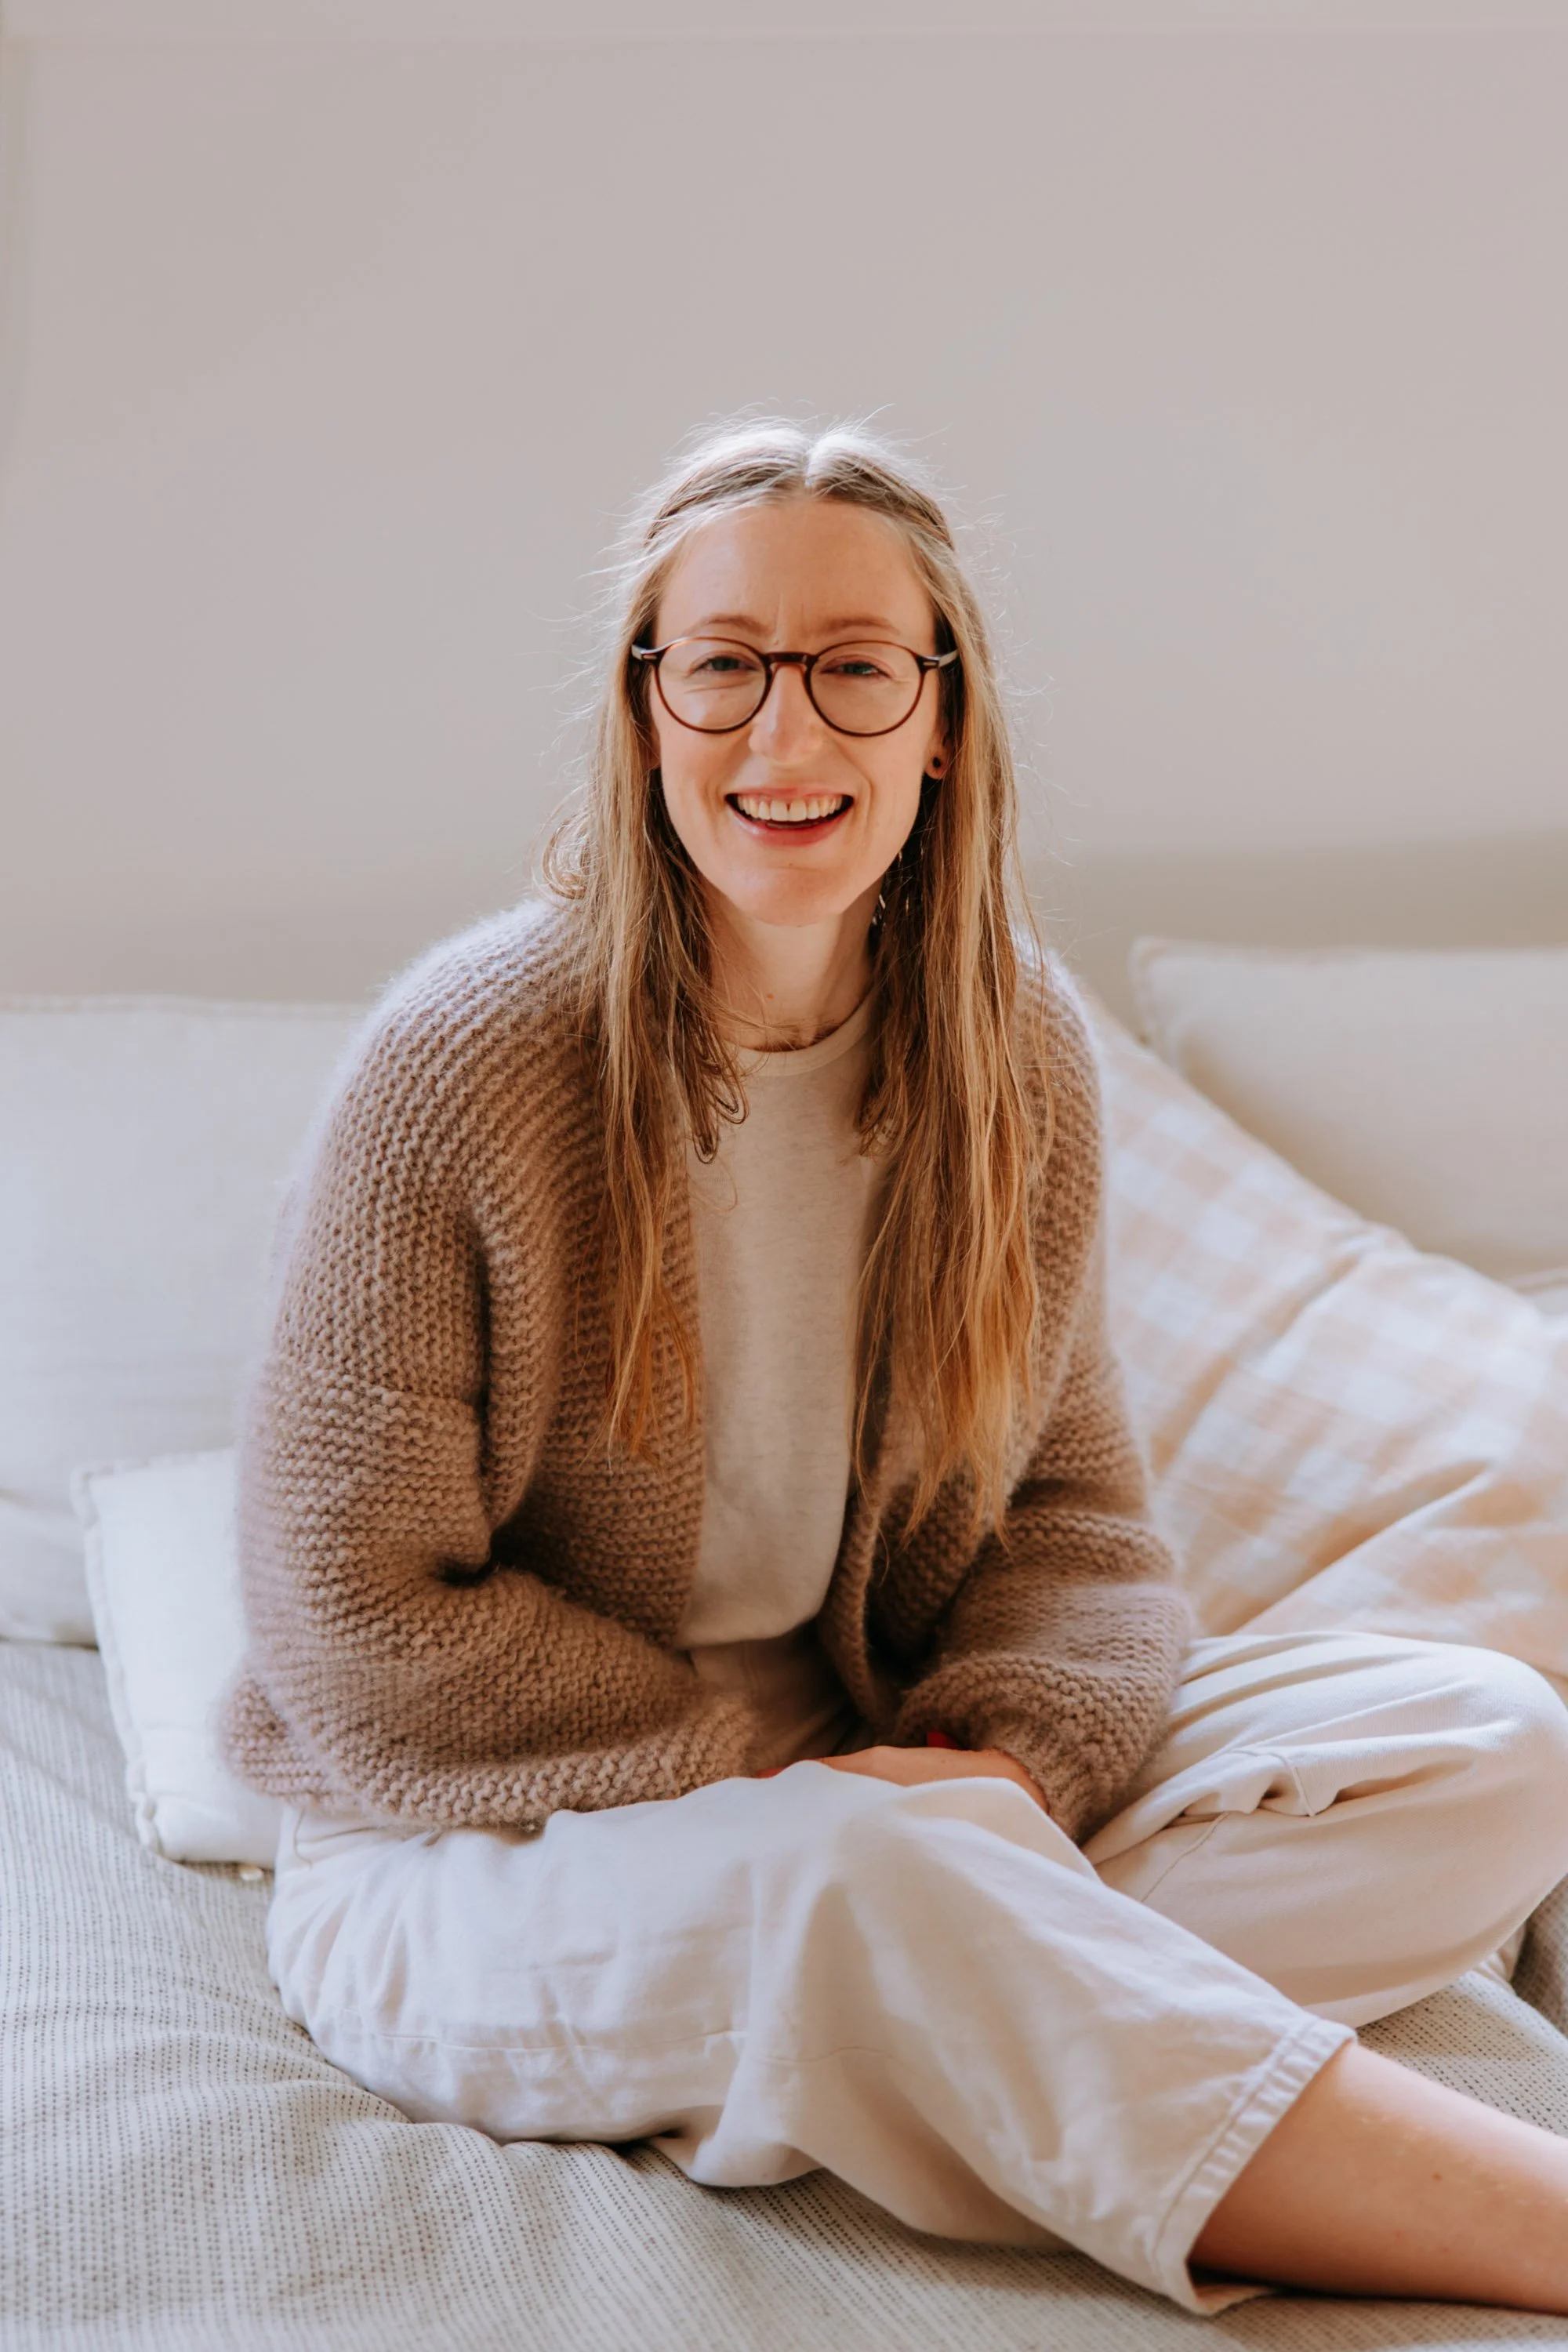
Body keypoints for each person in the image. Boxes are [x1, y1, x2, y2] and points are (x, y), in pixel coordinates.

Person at [223, 419, 1568, 2315]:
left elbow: (1076, 1527)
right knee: (873, 1882)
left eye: (855, 667)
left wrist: (996, 1760)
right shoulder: (464, 1066)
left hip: (891, 1783)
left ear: (940, 719)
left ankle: (899, 2030)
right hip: (478, 1850)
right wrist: (776, 1789)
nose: (786, 731)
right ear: (644, 711)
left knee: (1491, 1746)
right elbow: (348, 1614)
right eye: (722, 665)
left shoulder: (1007, 1051)